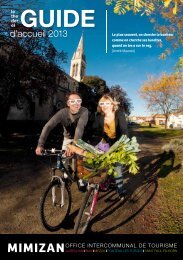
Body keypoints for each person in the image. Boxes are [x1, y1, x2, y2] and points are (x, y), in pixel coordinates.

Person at [35, 91, 89, 175]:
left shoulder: (84, 111)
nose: (76, 104)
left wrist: (73, 147)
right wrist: (40, 145)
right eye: (72, 101)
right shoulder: (62, 113)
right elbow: (48, 126)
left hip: (81, 139)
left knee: (81, 164)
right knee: (64, 161)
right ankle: (66, 178)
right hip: (67, 138)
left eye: (79, 101)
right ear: (68, 103)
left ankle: (82, 183)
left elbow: (80, 128)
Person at [91, 94, 128, 200]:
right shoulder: (98, 117)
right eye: (102, 103)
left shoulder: (119, 114)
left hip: (117, 143)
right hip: (104, 144)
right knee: (97, 165)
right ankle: (99, 184)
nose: (104, 106)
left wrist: (121, 145)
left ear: (112, 105)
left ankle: (120, 189)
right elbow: (95, 132)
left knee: (117, 168)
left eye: (107, 103)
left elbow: (124, 131)